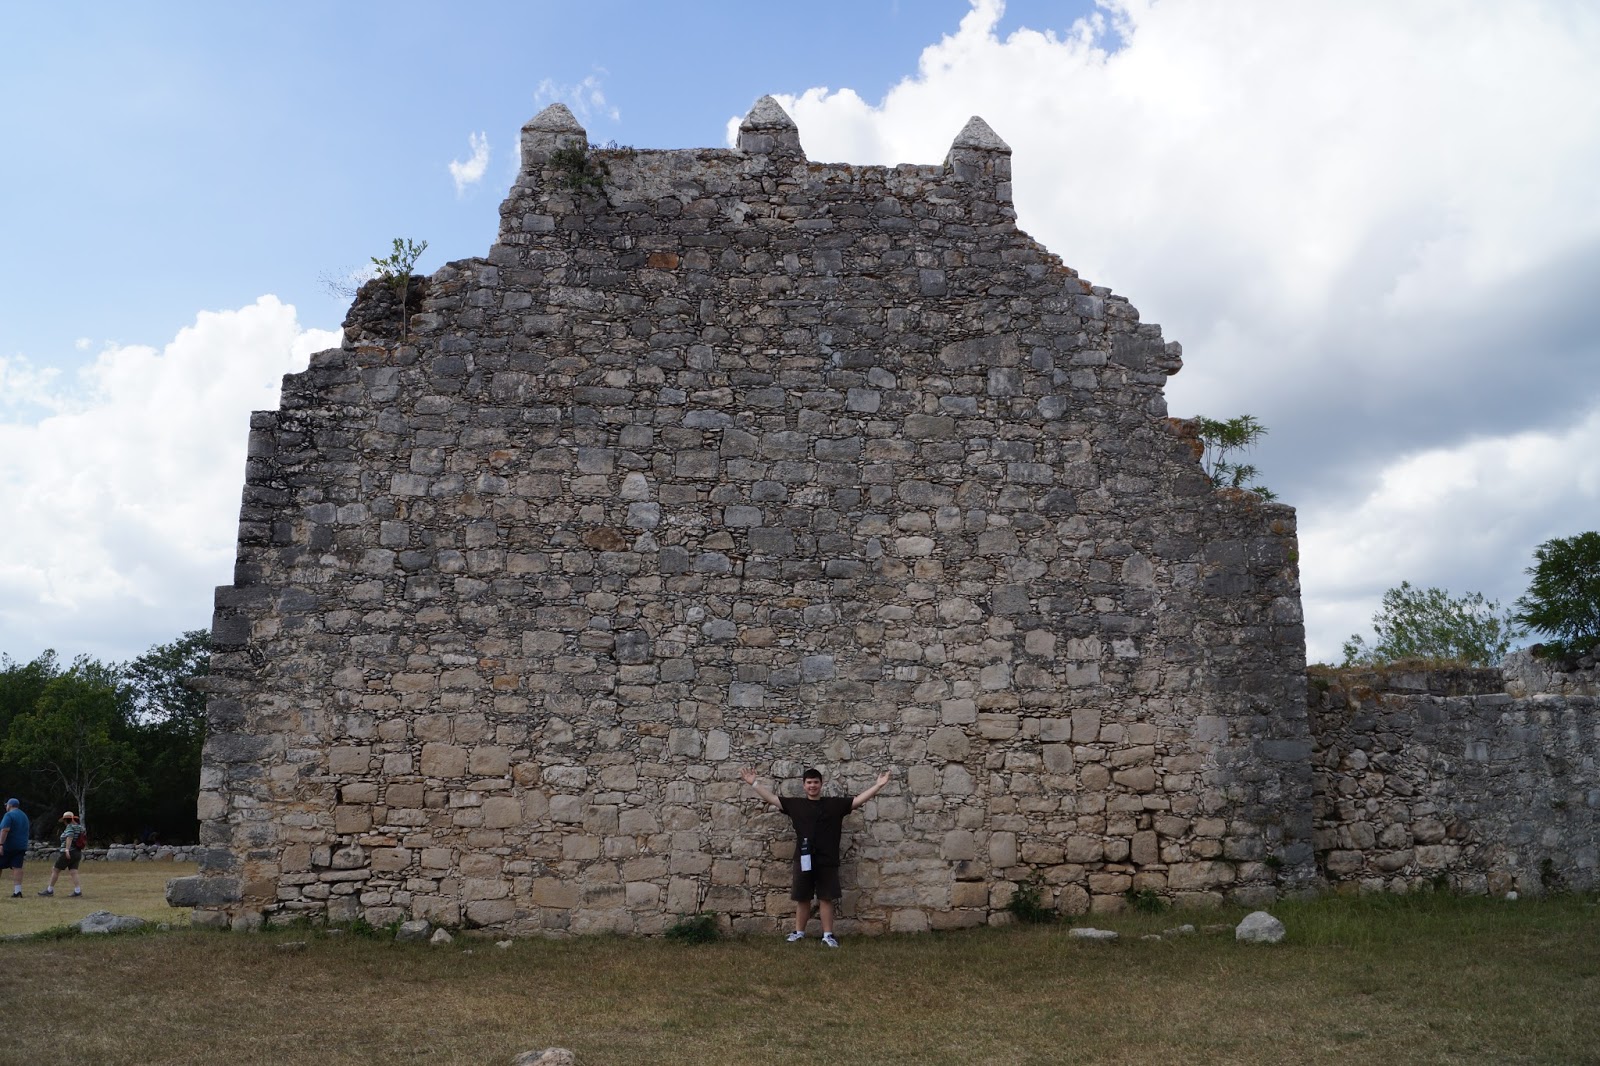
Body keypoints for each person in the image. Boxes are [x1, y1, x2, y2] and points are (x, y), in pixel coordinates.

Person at [741, 765, 891, 947]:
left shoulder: (834, 805)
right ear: (804, 785)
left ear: (821, 784)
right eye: (809, 783)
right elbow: (772, 799)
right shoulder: (795, 805)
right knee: (802, 897)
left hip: (827, 860)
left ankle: (828, 935)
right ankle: (799, 932)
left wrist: (879, 785)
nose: (812, 786)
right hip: (803, 859)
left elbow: (858, 801)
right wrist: (754, 783)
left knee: (826, 898)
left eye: (816, 782)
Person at [38, 811, 85, 897]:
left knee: (55, 869)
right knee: (73, 871)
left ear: (66, 820)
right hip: (77, 852)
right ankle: (77, 891)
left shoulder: (70, 827)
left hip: (68, 852)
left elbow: (69, 837)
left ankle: (49, 890)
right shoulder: (79, 827)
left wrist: (67, 850)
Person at [0, 798, 29, 898]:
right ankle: (18, 891)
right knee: (17, 867)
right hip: (21, 845)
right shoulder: (24, 815)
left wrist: (1, 844)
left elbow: (5, 830)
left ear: (10, 805)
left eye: (6, 805)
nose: (6, 807)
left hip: (8, 846)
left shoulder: (9, 815)